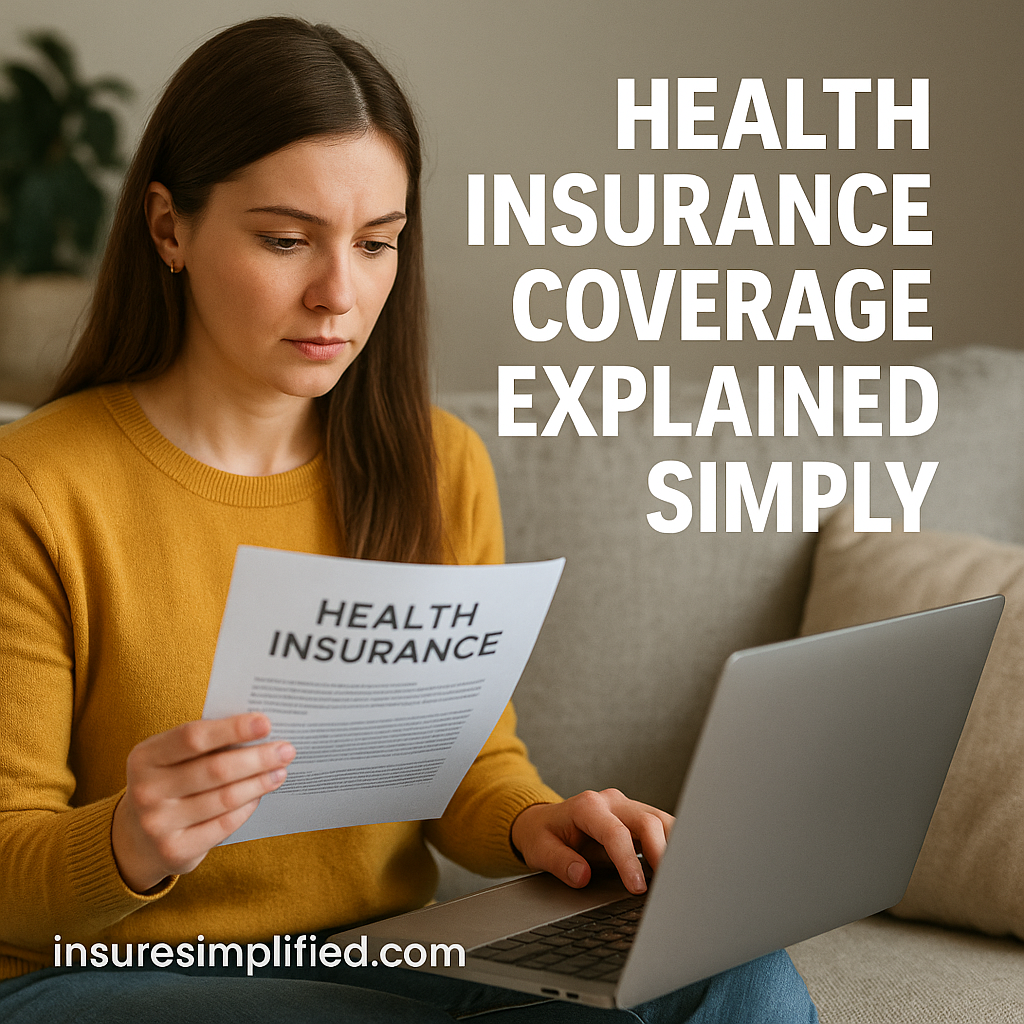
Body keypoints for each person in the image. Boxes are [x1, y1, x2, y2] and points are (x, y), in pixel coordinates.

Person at [0, 17, 817, 1023]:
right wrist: (130, 838)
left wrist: (539, 823)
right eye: (285, 240)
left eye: (376, 243)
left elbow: (465, 764)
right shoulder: (33, 489)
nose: (337, 294)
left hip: (371, 960)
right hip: (101, 977)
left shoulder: (437, 464)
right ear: (169, 228)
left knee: (732, 969)